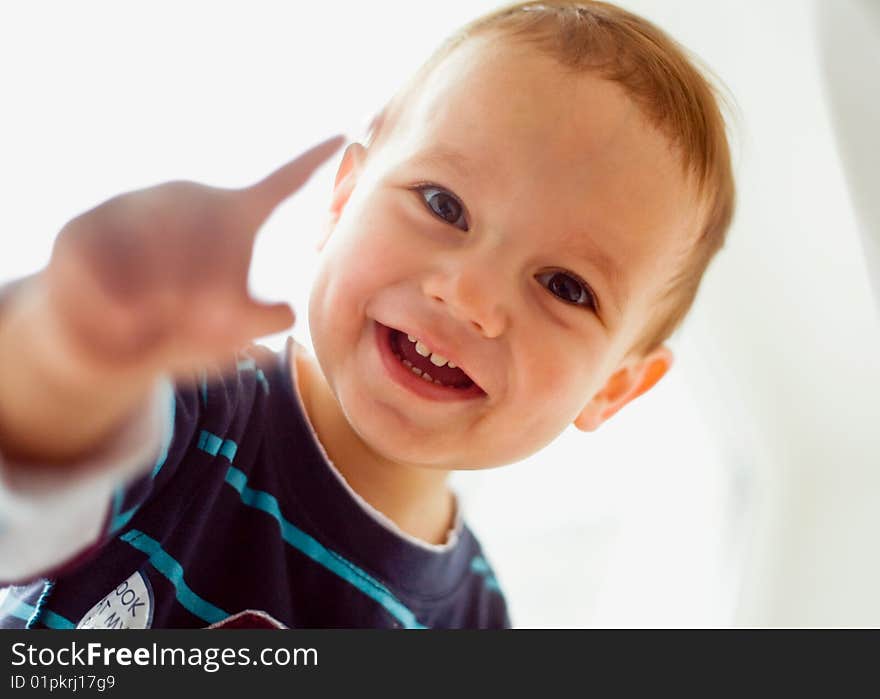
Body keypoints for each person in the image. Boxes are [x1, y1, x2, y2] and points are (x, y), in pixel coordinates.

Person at [0, 0, 735, 629]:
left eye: (566, 286)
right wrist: (70, 351)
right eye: (444, 204)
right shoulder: (195, 403)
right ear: (344, 198)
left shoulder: (477, 623)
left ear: (615, 388)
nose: (468, 295)